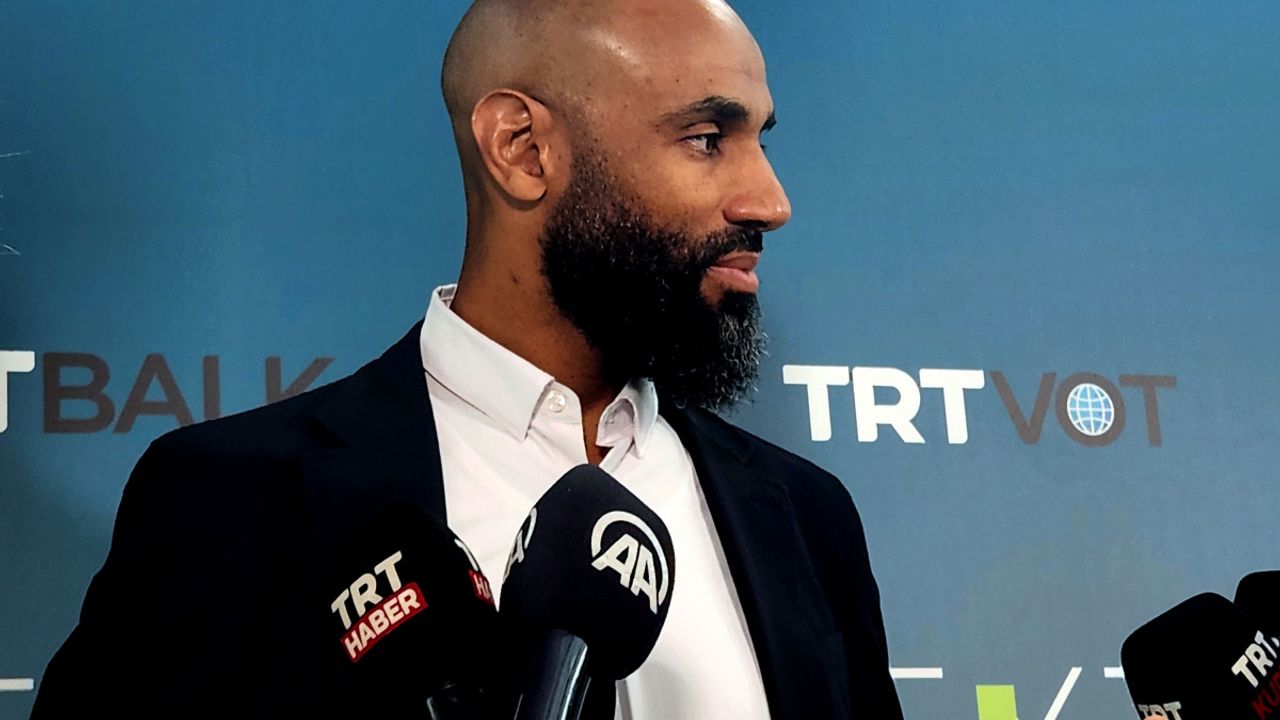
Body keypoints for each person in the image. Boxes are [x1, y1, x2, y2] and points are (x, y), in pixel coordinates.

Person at [33, 0, 903, 717]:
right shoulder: (227, 501)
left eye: (761, 141)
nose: (771, 201)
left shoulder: (807, 516)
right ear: (521, 148)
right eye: (708, 137)